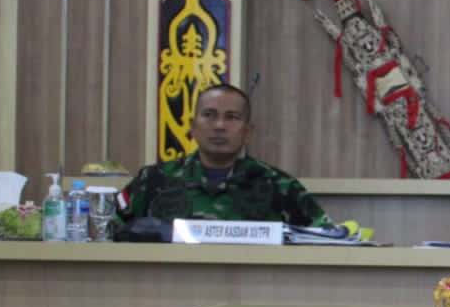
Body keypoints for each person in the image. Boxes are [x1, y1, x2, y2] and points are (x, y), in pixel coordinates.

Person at [116, 83, 329, 225]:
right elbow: (108, 229)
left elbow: (325, 238)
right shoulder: (152, 180)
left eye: (231, 117)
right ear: (193, 126)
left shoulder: (279, 186)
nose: (219, 125)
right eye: (209, 115)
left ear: (248, 132)